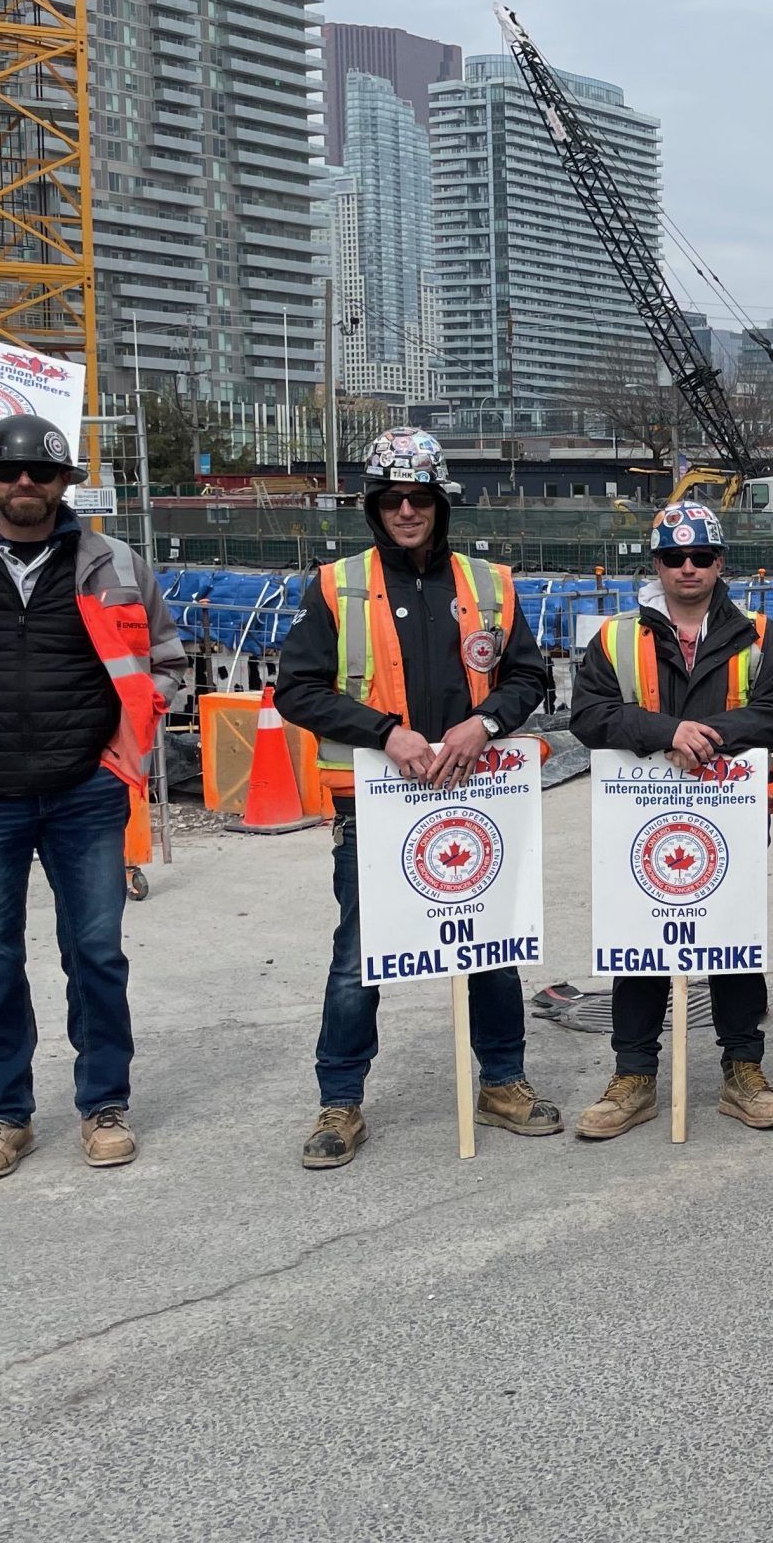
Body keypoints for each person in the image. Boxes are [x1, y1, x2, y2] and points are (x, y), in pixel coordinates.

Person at [274, 426, 560, 1169]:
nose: (406, 510)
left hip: (476, 796)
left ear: (439, 503)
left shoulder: (490, 586)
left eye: (419, 498)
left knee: (490, 946)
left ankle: (501, 1082)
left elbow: (528, 678)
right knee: (361, 956)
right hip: (375, 806)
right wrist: (385, 732)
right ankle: (340, 1101)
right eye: (392, 499)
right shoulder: (336, 586)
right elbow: (297, 689)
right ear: (374, 505)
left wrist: (484, 722)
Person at [0, 415, 183, 1182]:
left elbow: (167, 662)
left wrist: (124, 751)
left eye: (41, 474)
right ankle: (3, 1117)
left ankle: (103, 1104)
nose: (24, 485)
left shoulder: (114, 562)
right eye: (8, 472)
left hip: (85, 795)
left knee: (96, 954)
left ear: (64, 484)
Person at [567, 500, 773, 1141]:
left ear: (719, 562)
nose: (689, 568)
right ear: (658, 564)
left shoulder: (755, 631)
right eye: (675, 558)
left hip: (732, 809)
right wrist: (664, 730)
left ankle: (743, 1070)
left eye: (701, 556)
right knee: (640, 937)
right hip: (642, 814)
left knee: (734, 937)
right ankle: (635, 1075)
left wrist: (707, 736)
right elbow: (587, 714)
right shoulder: (618, 637)